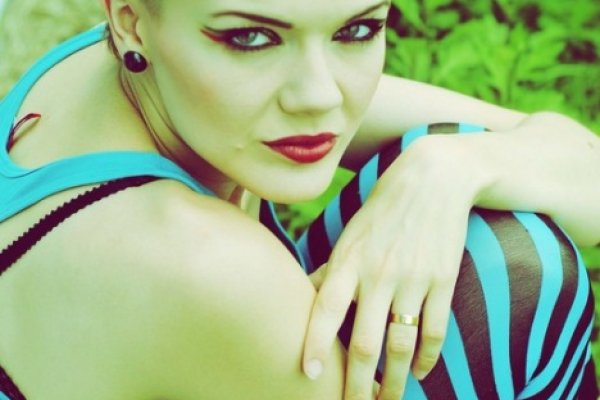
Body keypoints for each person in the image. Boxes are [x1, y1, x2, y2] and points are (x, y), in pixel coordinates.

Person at [0, 0, 598, 398]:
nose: (318, 96)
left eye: (357, 30)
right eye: (251, 38)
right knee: (518, 268)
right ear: (131, 21)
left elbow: (585, 169)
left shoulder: (118, 63)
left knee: (457, 157)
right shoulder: (204, 264)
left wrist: (447, 167)